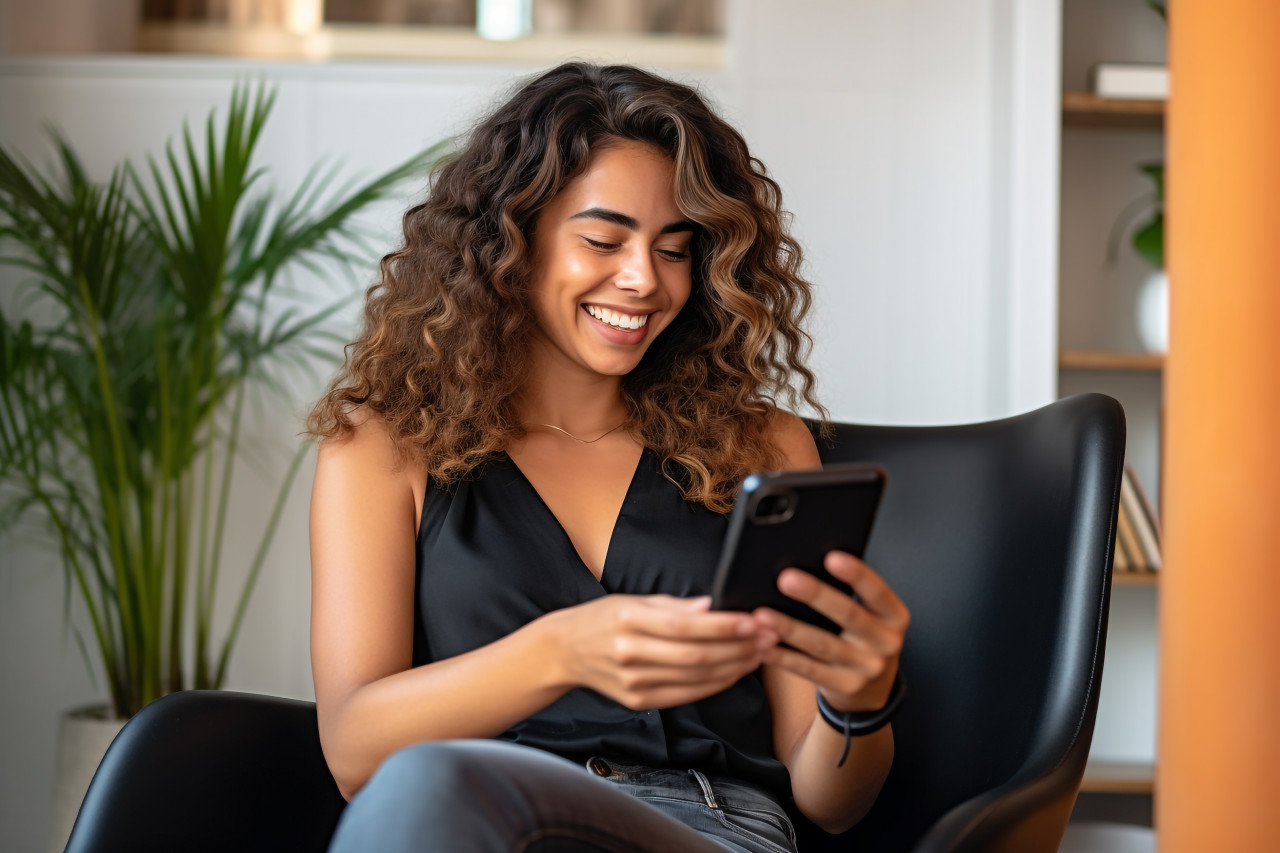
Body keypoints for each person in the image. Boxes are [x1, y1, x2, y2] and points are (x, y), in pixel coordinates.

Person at [306, 61, 910, 853]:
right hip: (475, 819)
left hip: (707, 826)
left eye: (674, 248)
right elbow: (355, 753)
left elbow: (829, 800)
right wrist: (560, 650)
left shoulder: (760, 446)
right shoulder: (384, 446)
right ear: (511, 243)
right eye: (603, 238)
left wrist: (860, 701)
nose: (642, 280)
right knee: (425, 788)